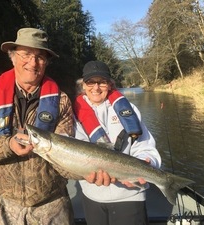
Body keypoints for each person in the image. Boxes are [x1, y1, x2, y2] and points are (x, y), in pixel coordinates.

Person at [0, 28, 81, 225]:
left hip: (52, 205)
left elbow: (64, 159)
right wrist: (8, 145)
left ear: (47, 62)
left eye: (40, 57)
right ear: (13, 57)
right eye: (25, 54)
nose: (32, 63)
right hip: (5, 206)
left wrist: (90, 173)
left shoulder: (61, 101)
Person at [73, 60, 162, 225]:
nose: (96, 88)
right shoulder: (73, 115)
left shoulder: (129, 110)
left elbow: (145, 146)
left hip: (130, 195)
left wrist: (147, 160)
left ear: (110, 84)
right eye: (91, 82)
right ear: (83, 85)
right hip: (92, 196)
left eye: (102, 82)